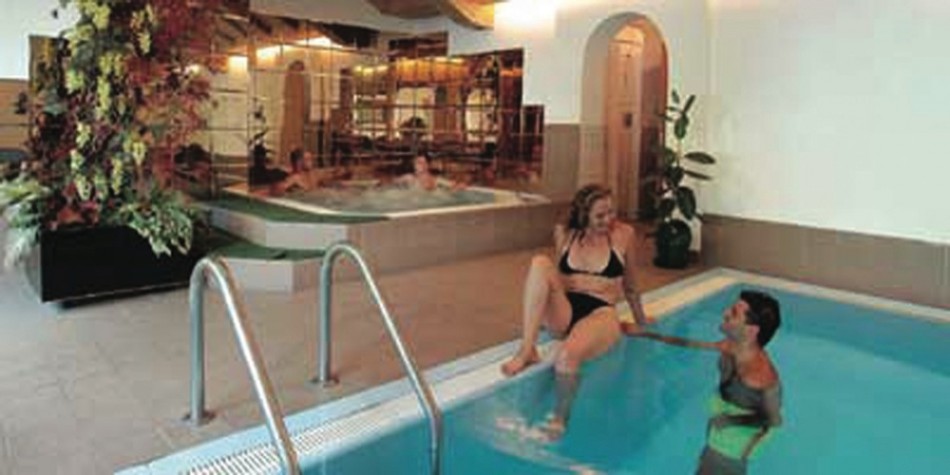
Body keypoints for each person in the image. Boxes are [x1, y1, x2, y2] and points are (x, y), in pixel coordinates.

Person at [500, 183, 652, 439]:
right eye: (600, 215)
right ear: (583, 215)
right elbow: (555, 279)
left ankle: (561, 416)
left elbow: (631, 286)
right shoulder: (565, 232)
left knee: (567, 356)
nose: (609, 219)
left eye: (612, 212)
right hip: (567, 308)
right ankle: (527, 349)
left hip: (600, 312)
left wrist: (641, 320)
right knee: (540, 263)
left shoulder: (624, 234)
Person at [623, 290, 783, 475]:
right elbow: (691, 343)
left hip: (734, 442)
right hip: (725, 430)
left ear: (751, 330)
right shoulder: (734, 346)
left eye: (734, 313)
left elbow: (773, 419)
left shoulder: (756, 376)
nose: (725, 313)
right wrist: (646, 334)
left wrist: (728, 420)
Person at [394, 154, 465, 191]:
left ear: (427, 165)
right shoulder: (410, 178)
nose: (419, 165)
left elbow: (457, 185)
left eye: (422, 162)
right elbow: (393, 183)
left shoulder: (435, 180)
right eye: (417, 162)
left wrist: (454, 189)